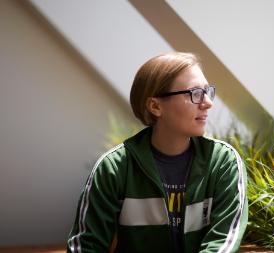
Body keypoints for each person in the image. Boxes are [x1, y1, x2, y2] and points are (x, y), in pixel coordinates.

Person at [67, 52, 248, 253]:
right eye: (195, 93)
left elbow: (223, 243)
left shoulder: (223, 163)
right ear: (155, 106)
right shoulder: (114, 168)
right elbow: (85, 247)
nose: (208, 102)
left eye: (207, 91)